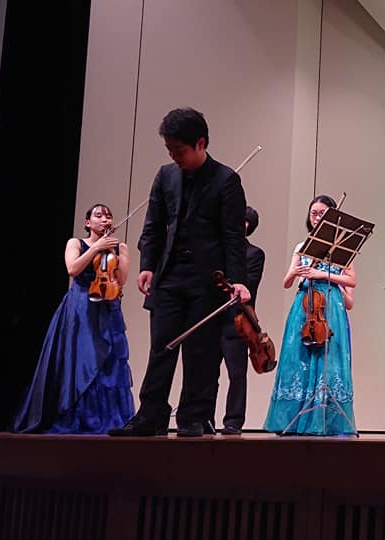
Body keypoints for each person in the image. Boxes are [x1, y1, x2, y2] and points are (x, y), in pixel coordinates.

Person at [110, 108, 250, 438]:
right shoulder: (165, 176)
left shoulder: (226, 180)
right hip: (169, 275)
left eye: (179, 150)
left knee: (200, 351)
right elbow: (153, 226)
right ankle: (151, 415)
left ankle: (193, 417)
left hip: (207, 280)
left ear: (200, 143)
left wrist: (238, 280)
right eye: (170, 149)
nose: (174, 156)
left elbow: (233, 236)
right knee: (161, 346)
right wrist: (147, 266)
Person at [12, 204, 135, 433]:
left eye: (108, 216)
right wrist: (96, 247)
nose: (105, 219)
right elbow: (72, 269)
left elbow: (122, 279)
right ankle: (75, 417)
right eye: (99, 215)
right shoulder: (76, 243)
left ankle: (105, 420)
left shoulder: (120, 247)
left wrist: (114, 253)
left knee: (108, 363)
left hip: (108, 305)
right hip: (80, 308)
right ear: (88, 222)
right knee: (80, 361)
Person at [265, 195, 357, 435]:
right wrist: (296, 271)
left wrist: (322, 274)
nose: (317, 217)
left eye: (322, 213)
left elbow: (352, 281)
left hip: (331, 305)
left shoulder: (341, 248)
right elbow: (286, 282)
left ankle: (326, 421)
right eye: (313, 213)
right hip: (305, 306)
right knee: (298, 358)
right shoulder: (301, 246)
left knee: (329, 361)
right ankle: (294, 420)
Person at [213, 206, 265, 435]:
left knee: (236, 374)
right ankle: (203, 418)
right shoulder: (215, 250)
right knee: (207, 374)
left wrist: (231, 284)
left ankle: (233, 421)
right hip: (211, 318)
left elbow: (250, 286)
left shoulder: (254, 254)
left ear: (246, 226)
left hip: (237, 321)